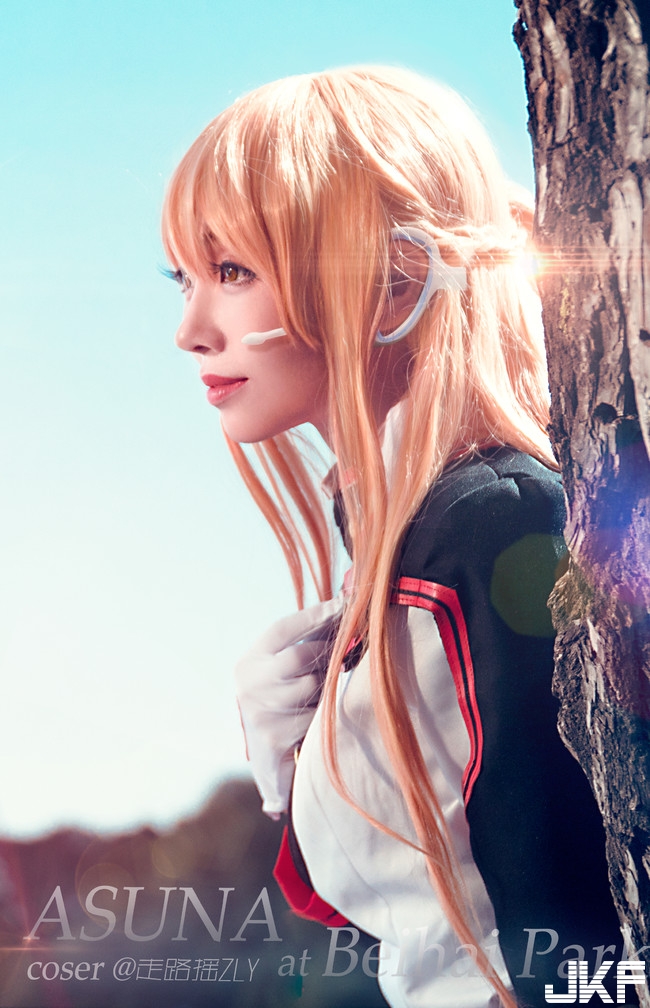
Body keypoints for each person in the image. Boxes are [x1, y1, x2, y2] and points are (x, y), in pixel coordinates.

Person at [162, 67, 635, 1008]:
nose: (190, 330)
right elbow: (401, 905)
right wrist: (294, 769)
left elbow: (565, 916)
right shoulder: (397, 542)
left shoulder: (494, 526)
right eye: (184, 279)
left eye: (233, 272)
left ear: (393, 284)